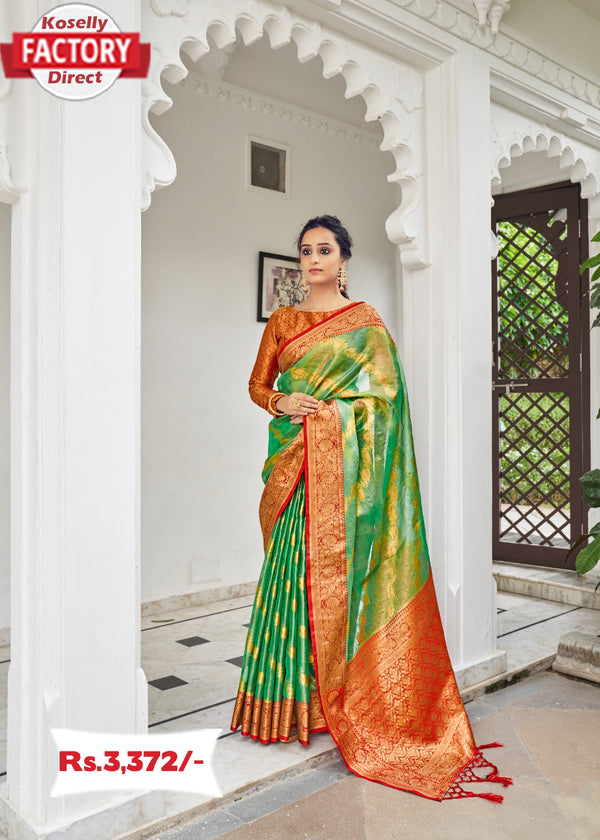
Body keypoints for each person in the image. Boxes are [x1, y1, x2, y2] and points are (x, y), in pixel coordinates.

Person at [230, 215, 511, 803]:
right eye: (305, 250)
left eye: (323, 250)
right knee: (289, 574)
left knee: (338, 582)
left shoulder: (366, 323)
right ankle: (283, 705)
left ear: (343, 259)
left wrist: (335, 415)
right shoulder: (283, 321)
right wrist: (283, 401)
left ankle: (340, 697)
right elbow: (258, 387)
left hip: (341, 474)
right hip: (294, 467)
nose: (312, 259)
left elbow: (387, 402)